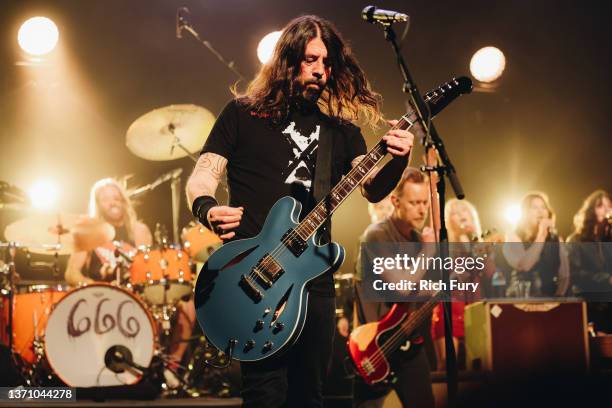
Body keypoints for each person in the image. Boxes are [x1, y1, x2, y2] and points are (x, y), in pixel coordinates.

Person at [186, 15, 415, 407]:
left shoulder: (342, 132)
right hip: (252, 280)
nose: (321, 71)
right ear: (287, 58)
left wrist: (397, 160)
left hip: (313, 285)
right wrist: (208, 209)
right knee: (264, 395)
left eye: (327, 63)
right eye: (311, 60)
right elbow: (201, 178)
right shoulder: (241, 114)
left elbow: (372, 189)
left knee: (310, 395)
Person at [65, 178, 195, 377]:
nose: (113, 202)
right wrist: (96, 286)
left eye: (117, 197)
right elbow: (71, 273)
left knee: (187, 306)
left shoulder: (138, 230)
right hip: (101, 299)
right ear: (97, 205)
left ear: (124, 201)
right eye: (106, 199)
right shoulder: (88, 231)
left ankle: (171, 369)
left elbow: (149, 266)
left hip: (137, 295)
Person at [353, 167, 436, 408]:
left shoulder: (420, 240)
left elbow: (423, 291)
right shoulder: (377, 236)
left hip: (409, 343)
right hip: (376, 347)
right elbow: (401, 286)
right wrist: (429, 253)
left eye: (425, 202)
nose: (422, 209)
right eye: (414, 202)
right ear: (395, 201)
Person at [430, 198, 496, 370]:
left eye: (464, 211)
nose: (461, 216)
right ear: (447, 220)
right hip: (450, 307)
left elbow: (490, 273)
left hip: (474, 305)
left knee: (478, 363)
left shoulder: (477, 244)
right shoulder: (442, 245)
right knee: (448, 363)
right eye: (454, 213)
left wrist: (475, 242)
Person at [503, 192, 570, 297]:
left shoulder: (555, 239)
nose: (540, 211)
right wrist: (541, 236)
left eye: (544, 207)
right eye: (534, 207)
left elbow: (565, 275)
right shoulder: (513, 236)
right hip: (521, 298)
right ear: (524, 213)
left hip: (549, 298)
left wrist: (558, 298)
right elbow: (525, 265)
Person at [567, 189, 612, 333]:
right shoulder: (576, 240)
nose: (606, 210)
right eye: (601, 206)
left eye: (609, 206)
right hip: (589, 301)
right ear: (591, 210)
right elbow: (574, 273)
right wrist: (607, 278)